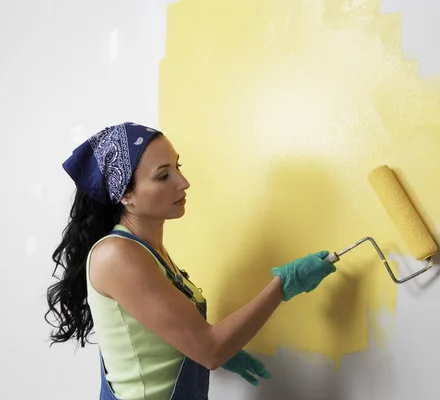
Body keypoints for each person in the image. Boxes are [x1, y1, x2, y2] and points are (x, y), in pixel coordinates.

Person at [45, 122, 337, 400]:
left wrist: (201, 348)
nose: (183, 182)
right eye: (163, 175)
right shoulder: (118, 255)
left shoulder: (148, 249)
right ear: (126, 194)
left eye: (177, 167)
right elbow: (211, 350)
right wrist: (283, 285)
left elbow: (165, 334)